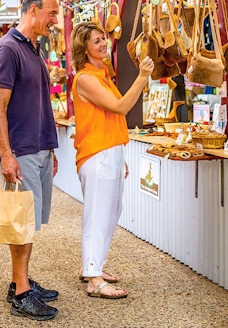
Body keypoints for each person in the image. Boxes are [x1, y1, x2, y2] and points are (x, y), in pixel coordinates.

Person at [0, 0, 61, 321]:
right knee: (20, 223)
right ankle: (21, 292)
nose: (55, 20)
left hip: (38, 147)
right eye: (52, 13)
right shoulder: (6, 49)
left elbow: (37, 102)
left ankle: (22, 279)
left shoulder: (32, 48)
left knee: (29, 222)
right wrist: (6, 155)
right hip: (21, 150)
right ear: (32, 10)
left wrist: (50, 147)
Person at [71, 22, 154, 299]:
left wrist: (119, 154)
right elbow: (120, 107)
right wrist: (142, 76)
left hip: (110, 152)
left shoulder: (102, 73)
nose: (103, 43)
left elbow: (111, 117)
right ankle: (93, 278)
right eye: (96, 41)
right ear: (84, 49)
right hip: (97, 154)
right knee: (97, 215)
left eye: (103, 38)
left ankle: (94, 266)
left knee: (110, 212)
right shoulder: (85, 78)